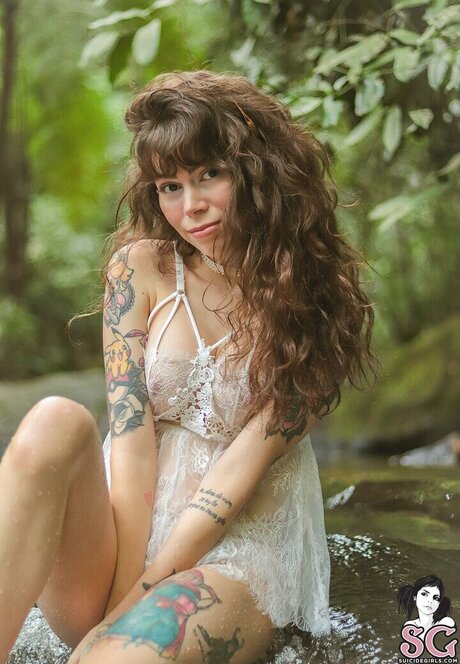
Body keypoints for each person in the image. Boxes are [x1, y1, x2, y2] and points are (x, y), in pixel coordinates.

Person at [0, 70, 374, 664]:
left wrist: (133, 608)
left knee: (117, 658)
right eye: (169, 186)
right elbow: (131, 447)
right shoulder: (140, 270)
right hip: (124, 535)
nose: (190, 206)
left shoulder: (316, 308)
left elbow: (235, 477)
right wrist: (120, 595)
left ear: (259, 172)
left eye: (209, 175)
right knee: (54, 420)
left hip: (235, 548)